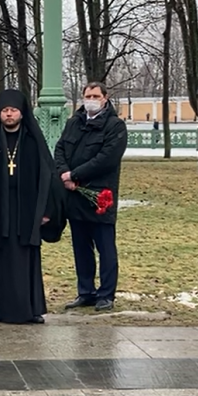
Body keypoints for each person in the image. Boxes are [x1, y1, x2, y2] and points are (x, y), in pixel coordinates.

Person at [0, 89, 62, 324]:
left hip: (27, 210)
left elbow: (48, 178)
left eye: (13, 110)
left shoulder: (34, 142)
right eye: (5, 110)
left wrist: (47, 211)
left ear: (22, 113)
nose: (9, 114)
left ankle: (29, 309)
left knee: (25, 258)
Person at [55, 82, 127, 312]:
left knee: (105, 249)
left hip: (99, 196)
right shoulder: (73, 123)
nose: (91, 100)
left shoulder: (115, 126)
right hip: (75, 196)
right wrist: (64, 174)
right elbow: (60, 149)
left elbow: (107, 158)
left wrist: (75, 175)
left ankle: (106, 294)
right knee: (81, 248)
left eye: (96, 96)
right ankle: (85, 291)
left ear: (105, 98)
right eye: (88, 96)